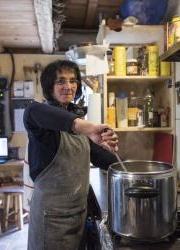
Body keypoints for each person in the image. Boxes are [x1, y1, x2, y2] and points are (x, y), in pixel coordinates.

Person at [24, 60, 119, 250]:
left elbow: (100, 157)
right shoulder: (39, 116)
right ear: (49, 87)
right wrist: (90, 128)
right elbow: (36, 112)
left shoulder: (77, 121)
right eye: (61, 81)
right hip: (51, 219)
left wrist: (127, 166)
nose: (68, 86)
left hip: (78, 215)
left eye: (73, 81)